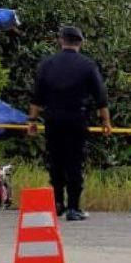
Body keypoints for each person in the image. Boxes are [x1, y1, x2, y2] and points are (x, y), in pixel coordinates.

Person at [27, 26, 111, 221]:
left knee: (55, 161)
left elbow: (36, 97)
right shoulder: (88, 65)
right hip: (76, 119)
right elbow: (101, 97)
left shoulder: (47, 64)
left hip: (53, 119)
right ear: (80, 43)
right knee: (74, 161)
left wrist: (31, 120)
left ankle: (57, 203)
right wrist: (105, 121)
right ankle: (74, 207)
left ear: (61, 41)